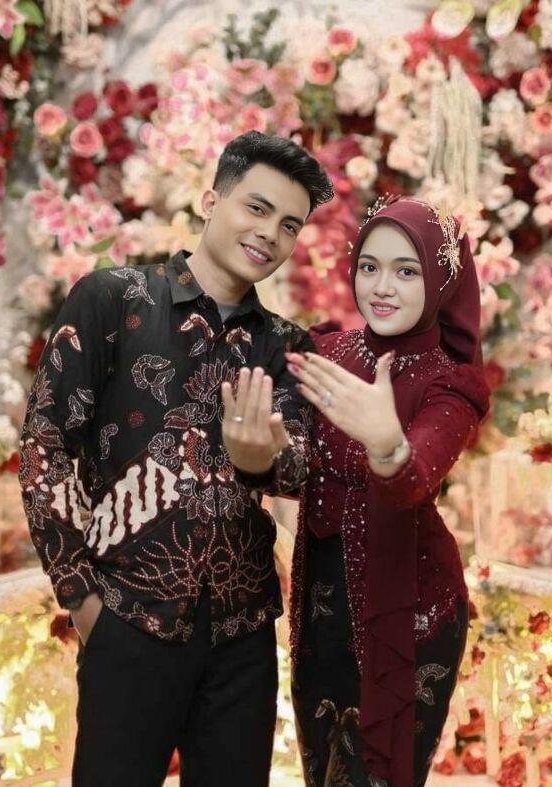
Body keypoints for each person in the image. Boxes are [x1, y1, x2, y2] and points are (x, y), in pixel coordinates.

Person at [18, 131, 333, 787]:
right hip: (127, 617)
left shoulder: (286, 346)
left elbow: (303, 467)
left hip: (243, 636)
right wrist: (82, 601)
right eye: (257, 207)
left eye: (289, 224)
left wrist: (260, 460)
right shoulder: (113, 300)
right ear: (210, 200)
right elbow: (46, 448)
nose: (270, 233)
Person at [286, 196, 490, 787]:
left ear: (441, 281)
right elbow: (286, 460)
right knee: (321, 771)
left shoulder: (449, 382)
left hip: (410, 619)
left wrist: (387, 446)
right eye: (370, 266)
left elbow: (418, 472)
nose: (382, 287)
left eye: (407, 271)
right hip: (321, 614)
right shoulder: (327, 353)